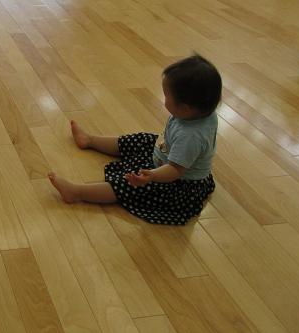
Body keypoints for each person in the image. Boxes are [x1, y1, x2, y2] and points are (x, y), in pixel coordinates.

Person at [48, 54, 222, 225]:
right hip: (165, 154)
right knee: (141, 139)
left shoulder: (190, 137)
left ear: (185, 108)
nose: (164, 99)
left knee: (131, 185)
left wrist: (151, 176)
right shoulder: (200, 111)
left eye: (167, 97)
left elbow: (174, 171)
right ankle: (90, 140)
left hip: (176, 184)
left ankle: (77, 192)